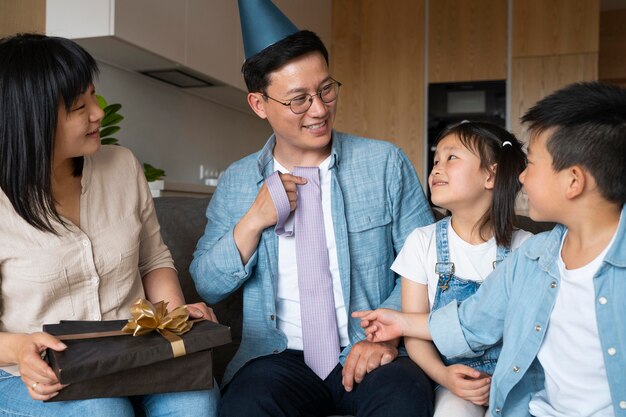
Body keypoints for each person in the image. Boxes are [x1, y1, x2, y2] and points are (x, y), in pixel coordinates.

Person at [190, 1, 435, 416]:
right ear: (259, 104)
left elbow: (428, 263)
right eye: (299, 100)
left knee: (404, 398)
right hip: (276, 358)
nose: (320, 110)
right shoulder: (237, 181)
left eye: (326, 89)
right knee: (246, 406)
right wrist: (254, 220)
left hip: (368, 346)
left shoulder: (384, 164)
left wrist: (387, 334)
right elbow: (208, 284)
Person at [354, 82, 626, 417]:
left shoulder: (524, 248)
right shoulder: (534, 258)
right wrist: (401, 323)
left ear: (573, 181)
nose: (521, 178)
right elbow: (474, 321)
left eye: (532, 166)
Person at [0, 34, 220, 417]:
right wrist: (20, 348)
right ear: (31, 119)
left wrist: (173, 319)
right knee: (102, 410)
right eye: (78, 106)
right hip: (28, 374)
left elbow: (153, 260)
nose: (97, 113)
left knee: (196, 401)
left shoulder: (121, 166)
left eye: (93, 96)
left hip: (136, 354)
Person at [354, 121, 532, 416]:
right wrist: (444, 376)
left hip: (516, 378)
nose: (436, 169)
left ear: (491, 175)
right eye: (436, 160)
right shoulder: (422, 242)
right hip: (453, 381)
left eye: (452, 158)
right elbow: (414, 330)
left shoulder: (528, 248)